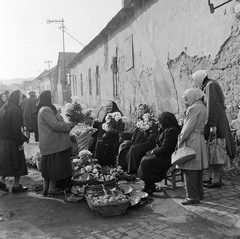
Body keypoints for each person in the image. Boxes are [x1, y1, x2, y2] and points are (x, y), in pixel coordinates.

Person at [192, 70, 236, 188]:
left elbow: (212, 106)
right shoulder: (210, 84)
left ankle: (216, 180)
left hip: (216, 121)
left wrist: (212, 125)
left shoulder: (210, 86)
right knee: (214, 147)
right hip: (217, 119)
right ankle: (215, 177)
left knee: (216, 147)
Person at [37, 90, 75, 197]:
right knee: (54, 168)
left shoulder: (47, 109)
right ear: (46, 98)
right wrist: (70, 125)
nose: (53, 96)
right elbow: (56, 125)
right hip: (54, 144)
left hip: (52, 143)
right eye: (51, 95)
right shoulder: (45, 110)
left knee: (49, 168)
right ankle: (51, 189)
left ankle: (46, 189)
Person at [177, 88, 208, 205]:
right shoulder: (202, 106)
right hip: (199, 138)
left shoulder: (193, 108)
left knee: (189, 167)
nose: (185, 102)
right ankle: (199, 193)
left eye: (186, 99)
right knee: (198, 168)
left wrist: (180, 138)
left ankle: (192, 197)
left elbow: (187, 128)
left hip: (192, 139)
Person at [139, 112, 181, 195]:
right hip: (164, 155)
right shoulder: (167, 129)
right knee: (145, 157)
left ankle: (149, 186)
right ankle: (149, 185)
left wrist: (153, 151)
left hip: (168, 157)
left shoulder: (171, 131)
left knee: (146, 161)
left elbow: (165, 148)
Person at [0, 90, 28, 193]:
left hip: (2, 141)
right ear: (17, 99)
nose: (21, 100)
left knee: (6, 163)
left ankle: (2, 181)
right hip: (12, 141)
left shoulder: (3, 107)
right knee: (17, 162)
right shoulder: (15, 109)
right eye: (20, 98)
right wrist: (20, 142)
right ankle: (16, 186)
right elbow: (16, 129)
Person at [118, 104, 151, 170]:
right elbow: (133, 132)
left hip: (144, 141)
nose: (140, 111)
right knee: (123, 146)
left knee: (133, 149)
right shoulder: (138, 119)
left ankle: (132, 169)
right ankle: (122, 167)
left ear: (146, 110)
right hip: (136, 139)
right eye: (139, 109)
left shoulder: (149, 120)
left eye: (142, 109)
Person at [94, 100, 124, 166]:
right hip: (107, 134)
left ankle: (103, 163)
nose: (108, 108)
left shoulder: (117, 114)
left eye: (110, 106)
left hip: (113, 136)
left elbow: (117, 129)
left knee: (101, 143)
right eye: (107, 106)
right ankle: (97, 161)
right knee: (93, 139)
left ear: (113, 106)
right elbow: (103, 125)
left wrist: (106, 134)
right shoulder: (107, 114)